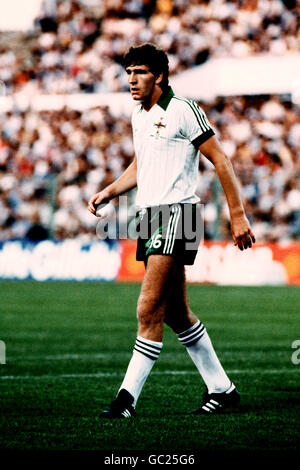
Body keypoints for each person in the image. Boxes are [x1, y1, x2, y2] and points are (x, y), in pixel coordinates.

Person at [88, 43, 255, 418]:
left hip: (178, 214)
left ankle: (125, 401)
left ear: (160, 76)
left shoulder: (183, 110)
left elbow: (221, 159)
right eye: (129, 71)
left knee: (148, 308)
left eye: (140, 72)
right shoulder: (139, 115)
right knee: (177, 314)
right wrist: (110, 191)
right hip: (149, 217)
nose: (132, 79)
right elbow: (141, 163)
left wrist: (238, 215)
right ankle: (222, 388)